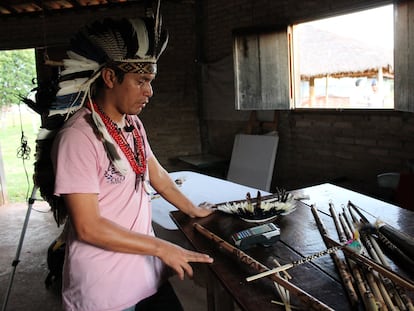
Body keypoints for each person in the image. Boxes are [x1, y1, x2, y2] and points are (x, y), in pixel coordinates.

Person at [35, 9, 215, 311]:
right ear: (109, 76)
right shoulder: (78, 138)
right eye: (141, 80)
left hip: (147, 279)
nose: (150, 91)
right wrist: (162, 247)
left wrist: (193, 209)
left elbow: (157, 174)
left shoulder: (132, 125)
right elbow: (88, 226)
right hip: (104, 293)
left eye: (151, 80)